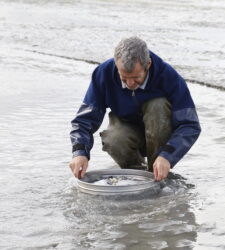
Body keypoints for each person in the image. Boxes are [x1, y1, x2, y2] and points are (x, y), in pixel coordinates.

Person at [69, 37, 201, 181]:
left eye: (136, 78)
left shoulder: (169, 77)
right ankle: (136, 175)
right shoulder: (103, 74)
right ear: (116, 64)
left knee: (157, 105)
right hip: (127, 132)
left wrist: (167, 156)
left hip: (161, 136)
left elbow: (190, 125)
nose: (130, 83)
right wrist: (79, 152)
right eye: (124, 78)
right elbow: (83, 121)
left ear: (148, 64)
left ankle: (157, 173)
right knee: (114, 138)